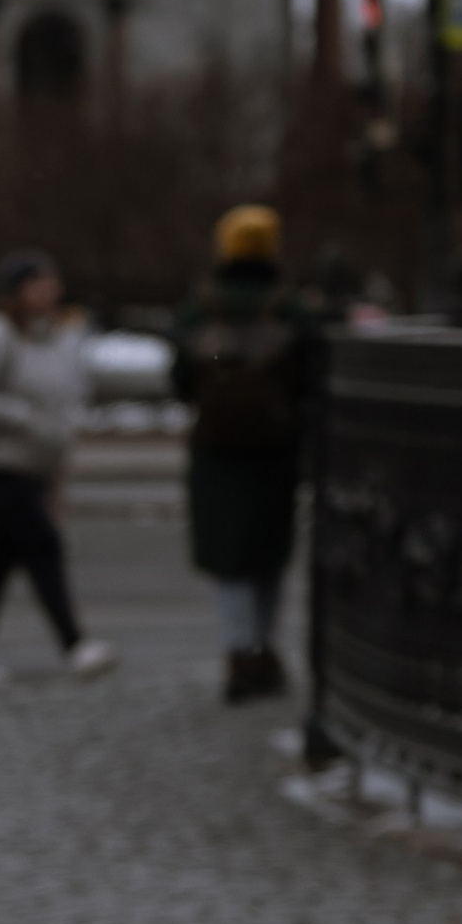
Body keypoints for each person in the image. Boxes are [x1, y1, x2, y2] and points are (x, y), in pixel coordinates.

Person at [0, 250, 114, 687]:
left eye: (51, 282)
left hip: (37, 469)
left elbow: (71, 393)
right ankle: (75, 644)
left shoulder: (59, 336)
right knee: (44, 549)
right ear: (17, 291)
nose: (48, 291)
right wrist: (23, 418)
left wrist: (58, 449)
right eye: (37, 283)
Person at [172, 203, 312, 702]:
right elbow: (312, 375)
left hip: (217, 450)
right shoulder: (289, 308)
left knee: (230, 559)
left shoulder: (201, 306)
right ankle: (263, 648)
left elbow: (182, 380)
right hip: (274, 449)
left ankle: (237, 651)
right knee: (267, 556)